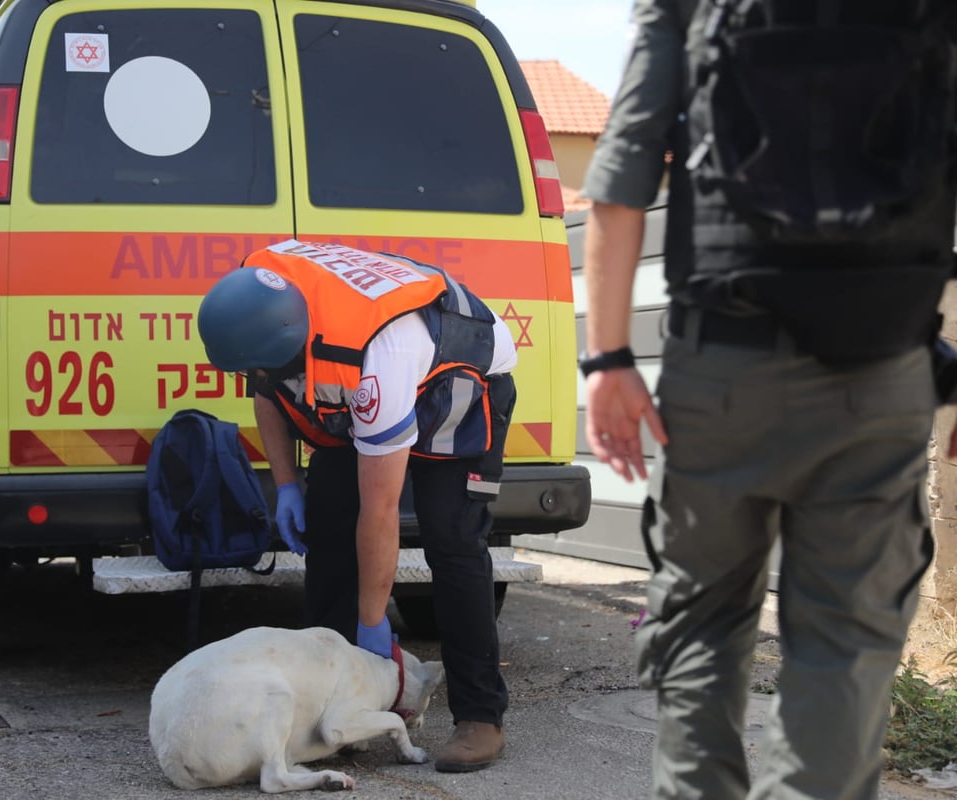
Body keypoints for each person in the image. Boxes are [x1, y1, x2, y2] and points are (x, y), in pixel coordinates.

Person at [579, 1, 957, 798]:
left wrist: (609, 358)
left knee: (702, 631)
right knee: (844, 650)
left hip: (724, 367)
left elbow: (623, 166)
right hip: (881, 370)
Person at [196, 238, 518, 772]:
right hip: (386, 361)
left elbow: (382, 508)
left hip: (459, 382)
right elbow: (266, 388)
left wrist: (373, 623)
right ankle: (327, 703)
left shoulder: (375, 363)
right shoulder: (263, 293)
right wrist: (289, 485)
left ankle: (481, 715)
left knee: (452, 541)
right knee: (329, 527)